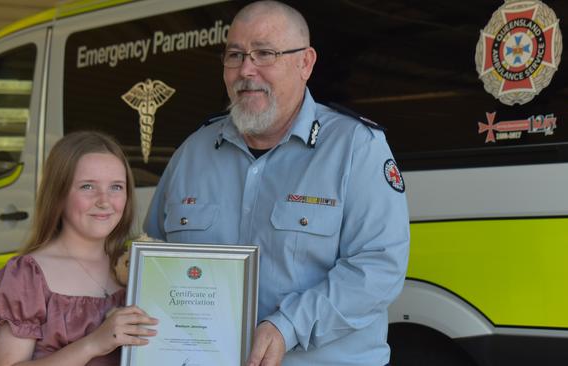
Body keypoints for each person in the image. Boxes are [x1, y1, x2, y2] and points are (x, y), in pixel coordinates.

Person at [144, 1, 410, 365]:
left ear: (305, 63)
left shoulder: (356, 148)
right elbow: (155, 260)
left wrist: (289, 325)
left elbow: (378, 267)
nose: (246, 70)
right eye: (234, 55)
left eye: (264, 54)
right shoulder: (192, 153)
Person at [0, 131, 158, 366]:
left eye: (116, 187)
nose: (104, 201)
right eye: (87, 187)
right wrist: (93, 343)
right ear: (58, 194)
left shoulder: (137, 266)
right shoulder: (27, 275)